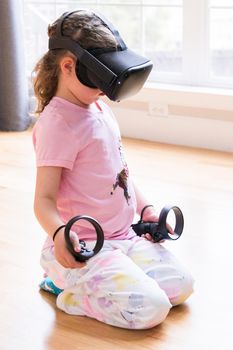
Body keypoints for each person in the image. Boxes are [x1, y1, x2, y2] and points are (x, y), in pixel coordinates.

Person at [32, 9, 194, 330]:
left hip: (124, 237)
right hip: (86, 247)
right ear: (68, 67)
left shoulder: (98, 108)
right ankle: (66, 288)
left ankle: (104, 276)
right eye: (98, 80)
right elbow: (43, 202)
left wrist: (144, 207)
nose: (105, 89)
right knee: (152, 308)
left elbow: (120, 174)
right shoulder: (58, 124)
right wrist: (60, 234)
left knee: (181, 286)